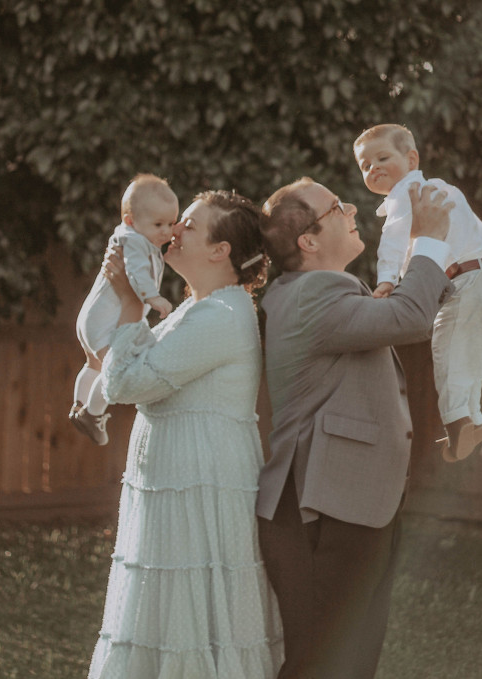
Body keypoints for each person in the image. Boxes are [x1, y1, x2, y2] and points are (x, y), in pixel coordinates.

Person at [256, 176, 453, 679]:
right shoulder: (313, 292)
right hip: (323, 505)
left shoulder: (315, 292)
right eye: (337, 207)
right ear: (308, 240)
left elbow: (398, 312)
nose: (351, 210)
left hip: (352, 500)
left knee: (350, 662)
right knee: (322, 663)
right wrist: (428, 240)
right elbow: (410, 318)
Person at [87, 189, 284, 679]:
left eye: (189, 225)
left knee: (192, 617)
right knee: (165, 611)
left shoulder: (221, 316)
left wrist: (129, 301)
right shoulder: (196, 308)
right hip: (177, 480)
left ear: (220, 250)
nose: (174, 230)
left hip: (198, 484)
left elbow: (124, 384)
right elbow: (118, 366)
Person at [354, 123, 482, 462]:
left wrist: (387, 280)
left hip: (462, 280)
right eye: (365, 165)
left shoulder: (406, 195)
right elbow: (476, 229)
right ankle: (473, 418)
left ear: (411, 160)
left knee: (448, 349)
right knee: (474, 351)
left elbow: (393, 244)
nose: (373, 168)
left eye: (382, 158)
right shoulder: (443, 189)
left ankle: (457, 423)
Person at [70, 173, 179, 445]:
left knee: (93, 364)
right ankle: (92, 414)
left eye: (171, 223)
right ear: (131, 221)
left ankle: (78, 405)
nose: (166, 232)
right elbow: (136, 272)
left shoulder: (129, 236)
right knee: (115, 366)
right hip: (107, 320)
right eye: (158, 224)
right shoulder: (136, 242)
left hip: (93, 317)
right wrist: (153, 298)